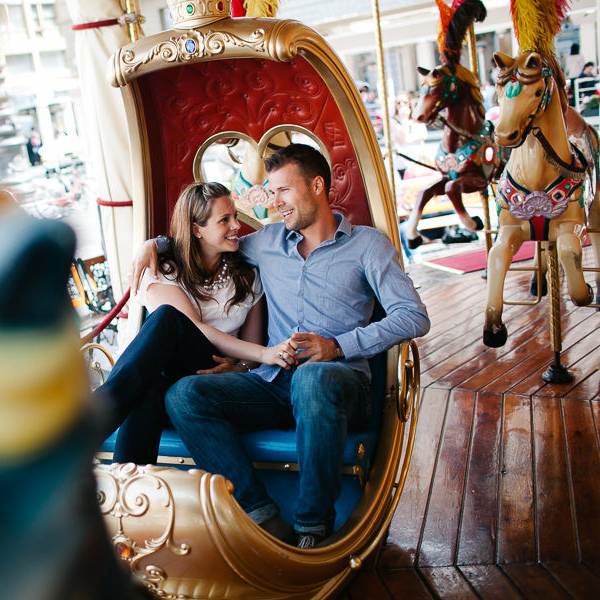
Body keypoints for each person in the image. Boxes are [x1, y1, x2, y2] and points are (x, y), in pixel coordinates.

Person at [132, 144, 430, 548]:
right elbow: (206, 237)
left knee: (313, 377)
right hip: (273, 382)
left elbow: (413, 316)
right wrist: (156, 244)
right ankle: (261, 516)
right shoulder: (265, 242)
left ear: (317, 186)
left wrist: (337, 347)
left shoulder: (368, 245)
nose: (275, 204)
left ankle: (312, 530)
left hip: (341, 383)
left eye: (283, 192)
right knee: (185, 395)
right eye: (271, 193)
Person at [97, 182, 298, 465]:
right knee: (165, 329)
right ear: (197, 229)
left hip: (212, 376)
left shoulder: (247, 274)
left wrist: (239, 366)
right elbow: (192, 328)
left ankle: (99, 428)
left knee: (153, 383)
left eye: (235, 217)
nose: (236, 226)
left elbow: (251, 349)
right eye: (224, 220)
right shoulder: (164, 270)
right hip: (171, 371)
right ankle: (126, 483)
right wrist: (266, 354)